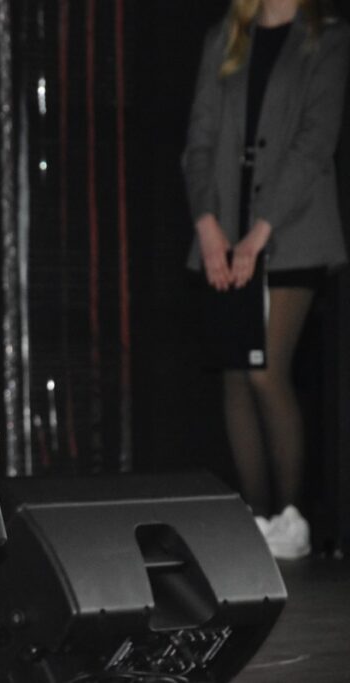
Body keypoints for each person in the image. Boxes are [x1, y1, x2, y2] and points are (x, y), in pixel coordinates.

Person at [183, 0, 350, 559]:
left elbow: (314, 143)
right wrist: (208, 226)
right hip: (224, 234)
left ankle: (292, 515)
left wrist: (259, 234)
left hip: (292, 232)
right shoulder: (225, 36)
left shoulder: (327, 38)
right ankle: (256, 518)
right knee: (235, 375)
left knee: (265, 371)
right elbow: (199, 141)